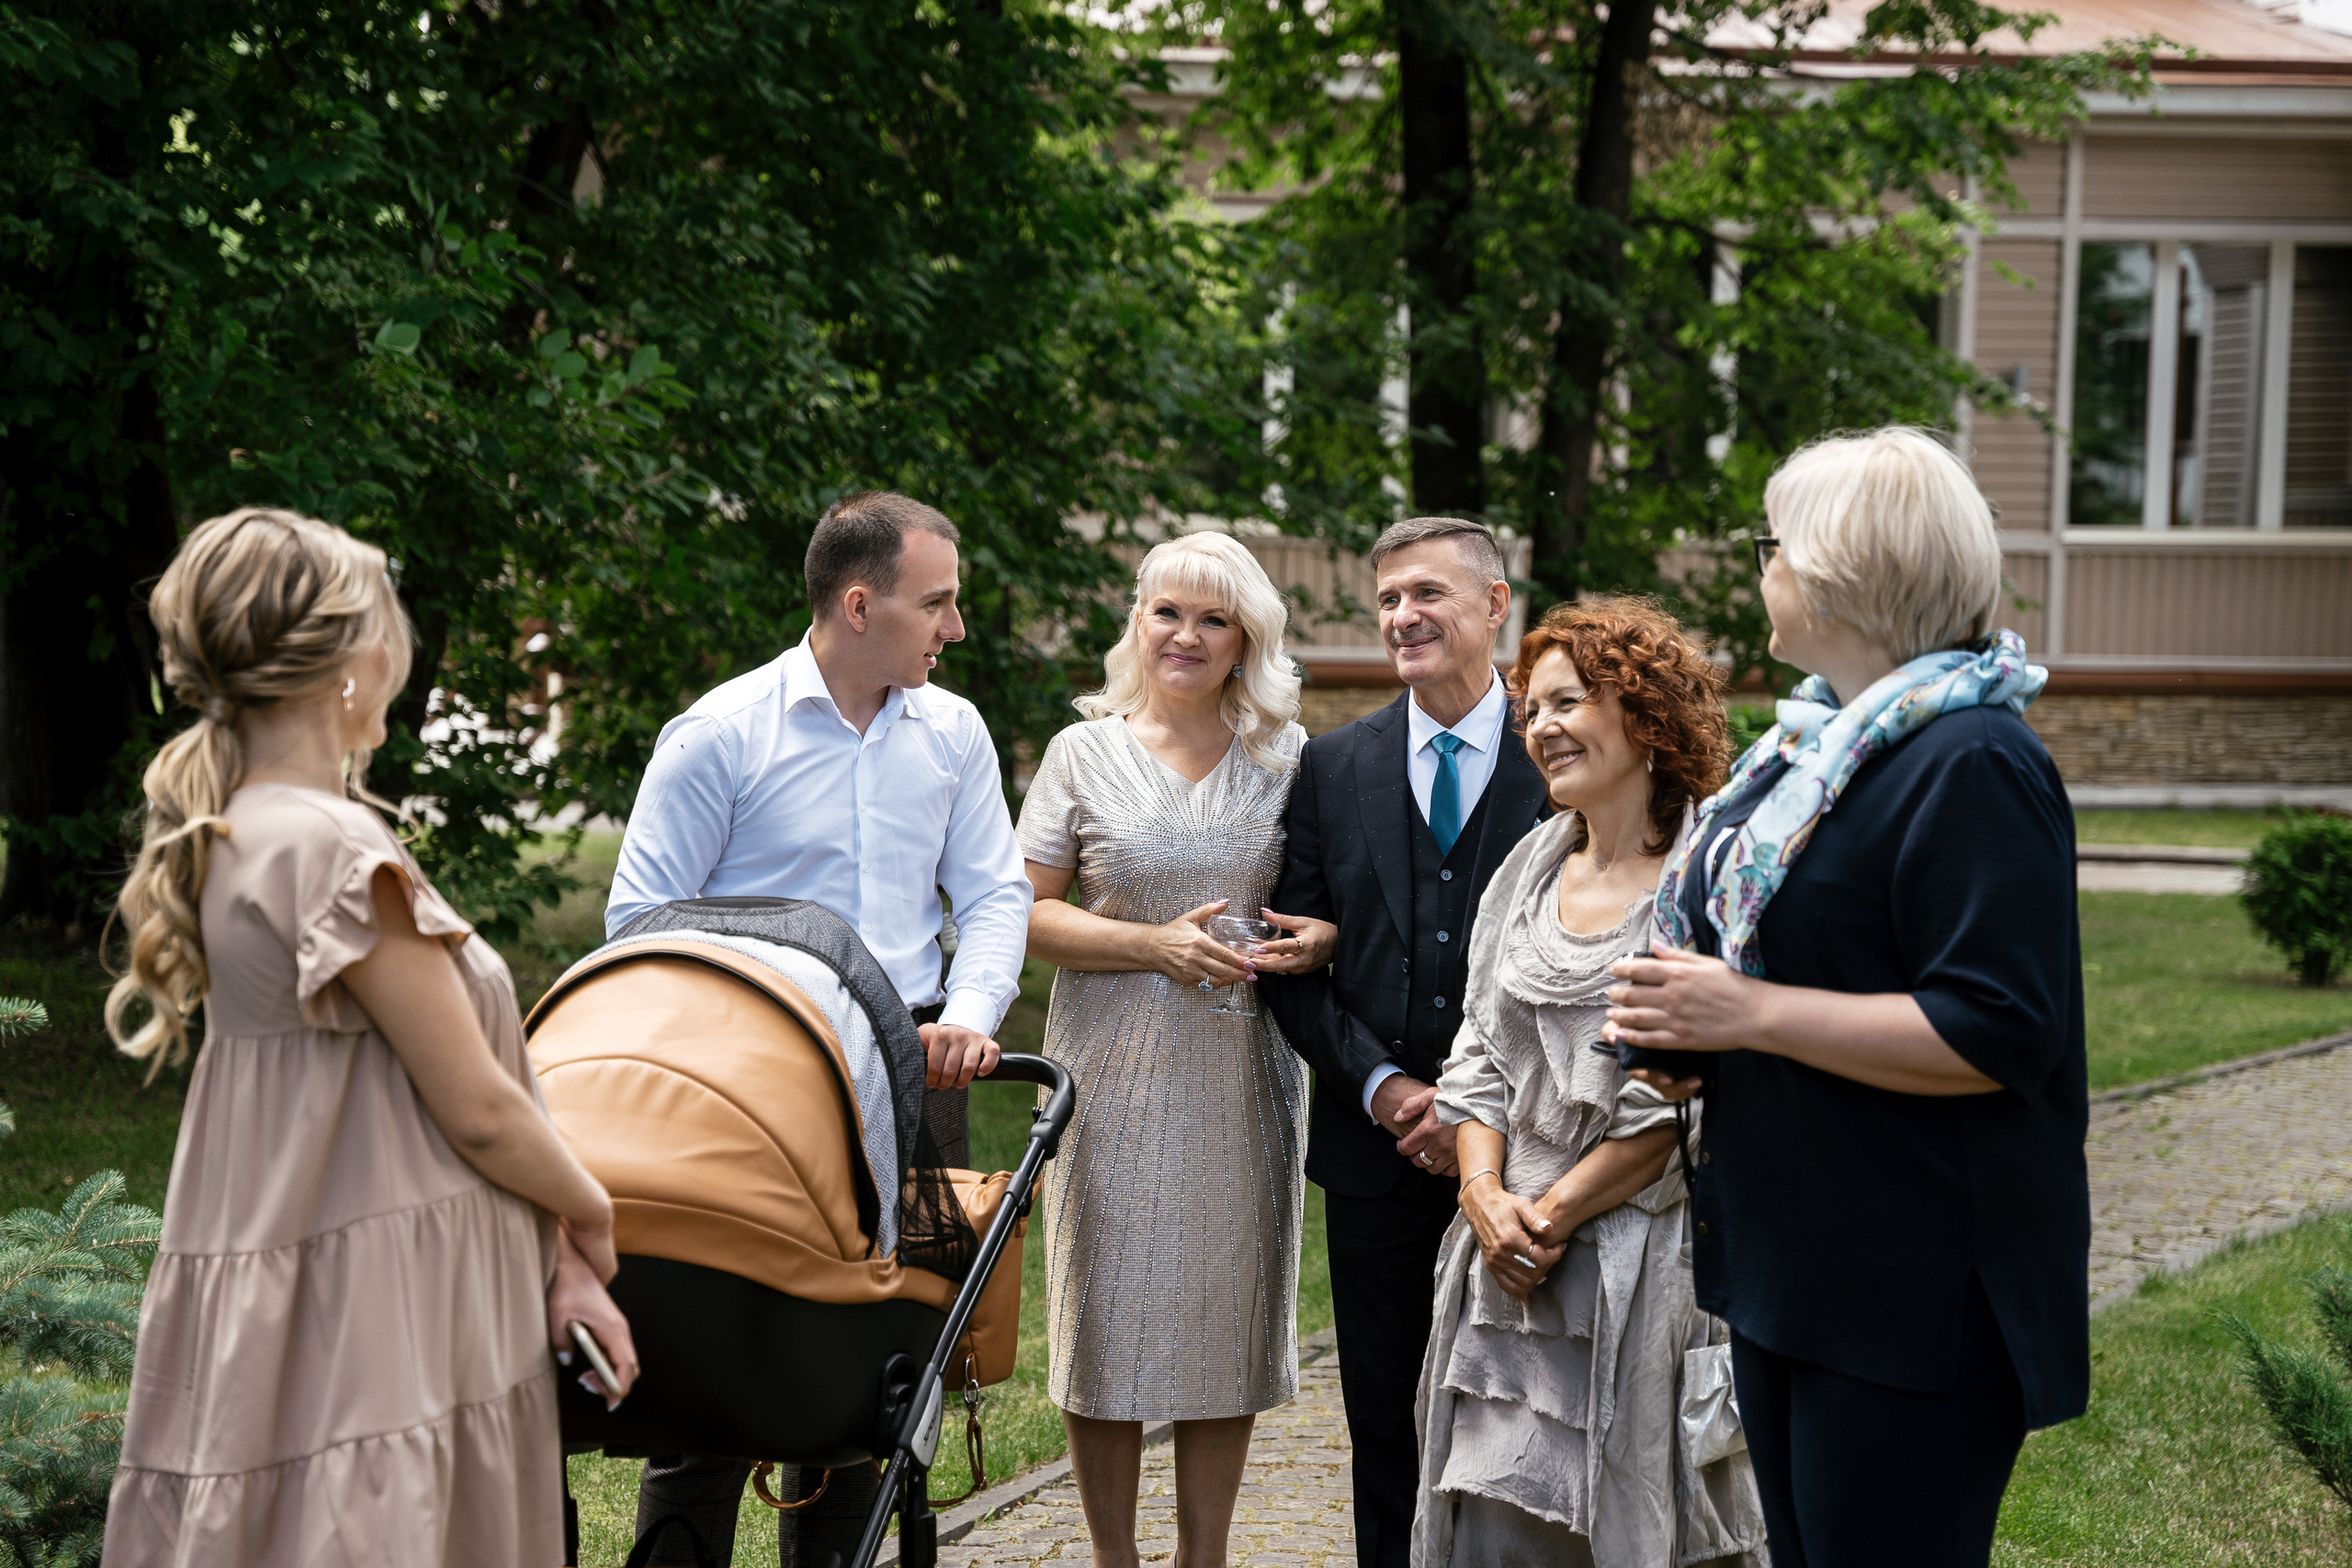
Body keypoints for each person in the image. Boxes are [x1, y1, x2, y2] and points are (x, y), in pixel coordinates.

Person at [102, 507, 639, 1565]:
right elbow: (479, 1109)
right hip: (385, 1302)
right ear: (347, 660)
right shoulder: (334, 846)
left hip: (316, 1269)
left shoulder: (240, 828)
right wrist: (592, 1212)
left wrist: (556, 1265)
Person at [1607, 427, 2089, 1568]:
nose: (1757, 567)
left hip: (1911, 1296)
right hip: (1805, 1270)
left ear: (1832, 569)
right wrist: (1695, 1046)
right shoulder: (1823, 751)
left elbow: (1998, 1030)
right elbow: (1823, 964)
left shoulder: (1971, 760)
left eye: (1769, 544)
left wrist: (1746, 1015)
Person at [605, 489, 1032, 1564]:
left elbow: (990, 896)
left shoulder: (953, 733)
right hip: (746, 1096)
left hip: (912, 1080)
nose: (956, 628)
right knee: (710, 1363)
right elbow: (636, 926)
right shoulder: (719, 736)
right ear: (858, 604)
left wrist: (973, 1016)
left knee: (870, 1385)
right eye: (936, 604)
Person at [1409, 597, 1766, 1568]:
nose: (1541, 727)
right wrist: (1486, 1200)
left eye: (1569, 702)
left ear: (1645, 716)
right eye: (1532, 709)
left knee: (1635, 1527)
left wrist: (1549, 1216)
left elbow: (1676, 1094)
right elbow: (1477, 1051)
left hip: (1640, 1270)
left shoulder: (1704, 876)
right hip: (1503, 1270)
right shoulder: (1526, 867)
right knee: (1499, 1526)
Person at [1015, 532, 1333, 1568]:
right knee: (1100, 1316)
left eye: (1212, 618)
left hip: (1241, 1076)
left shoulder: (1289, 760)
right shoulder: (1081, 752)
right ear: (1136, 621)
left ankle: (1208, 1557)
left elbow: (1322, 906)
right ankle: (1113, 1558)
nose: (1185, 636)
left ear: (1248, 639)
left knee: (1224, 1315)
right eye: (1167, 612)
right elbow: (1023, 917)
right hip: (1108, 1076)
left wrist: (1310, 937)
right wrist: (1150, 946)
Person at [1259, 516, 1550, 1568]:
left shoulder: (1558, 750)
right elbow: (1288, 971)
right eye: (1387, 600)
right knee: (1385, 1422)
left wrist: (1481, 1109)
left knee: (1530, 1420)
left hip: (1534, 1154)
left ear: (1492, 606)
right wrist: (1384, 1089)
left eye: (1426, 593)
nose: (1402, 617)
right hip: (1375, 1155)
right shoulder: (1333, 768)